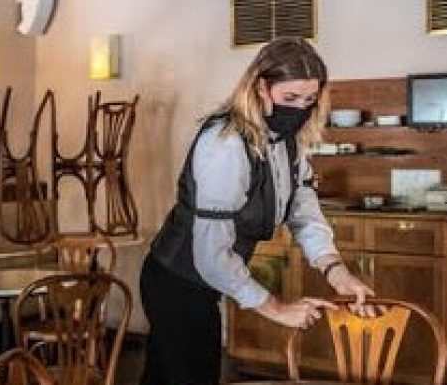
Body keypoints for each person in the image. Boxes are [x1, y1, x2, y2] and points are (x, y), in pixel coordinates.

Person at [140, 37, 376, 385]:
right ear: (261, 87)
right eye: (290, 98)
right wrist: (277, 309)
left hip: (205, 284)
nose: (299, 109)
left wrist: (334, 269)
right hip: (177, 282)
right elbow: (210, 254)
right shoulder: (226, 144)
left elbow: (302, 208)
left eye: (310, 100)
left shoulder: (287, 140)